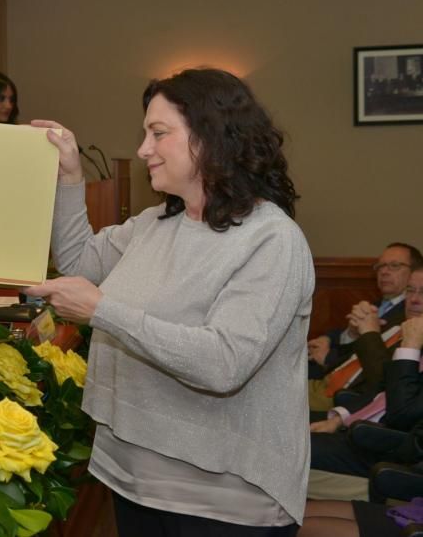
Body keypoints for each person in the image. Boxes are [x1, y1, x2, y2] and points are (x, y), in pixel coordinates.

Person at [27, 68, 314, 535]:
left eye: (158, 134)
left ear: (212, 138)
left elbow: (224, 362)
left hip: (223, 500)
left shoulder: (272, 240)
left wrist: (103, 311)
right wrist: (71, 177)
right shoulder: (155, 223)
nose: (143, 150)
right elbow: (79, 262)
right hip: (132, 476)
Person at [308, 268, 423, 485]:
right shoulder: (404, 324)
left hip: (389, 448)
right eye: (411, 291)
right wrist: (341, 418)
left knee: (287, 444)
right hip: (360, 420)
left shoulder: (413, 336)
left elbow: (400, 410)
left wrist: (405, 345)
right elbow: (382, 389)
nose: (415, 300)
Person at [309, 243, 422, 374]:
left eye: (394, 266)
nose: (384, 272)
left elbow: (379, 363)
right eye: (380, 266)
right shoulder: (379, 303)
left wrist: (329, 358)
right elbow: (344, 331)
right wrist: (327, 339)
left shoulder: (413, 311)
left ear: (415, 272)